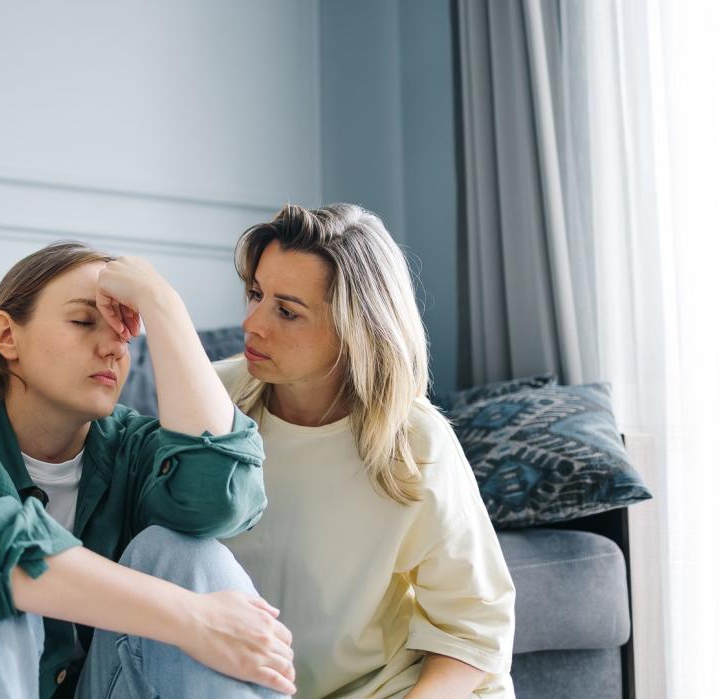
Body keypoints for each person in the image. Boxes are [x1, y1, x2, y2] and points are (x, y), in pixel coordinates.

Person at [0, 242, 296, 698]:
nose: (113, 347)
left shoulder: (139, 450)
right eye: (83, 321)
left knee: (188, 554)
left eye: (125, 332)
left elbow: (220, 498)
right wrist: (191, 617)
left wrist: (160, 300)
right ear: (7, 337)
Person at [217, 204, 516, 698]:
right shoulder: (213, 401)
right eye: (255, 294)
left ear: (356, 329)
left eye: (287, 311)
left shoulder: (415, 441)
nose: (252, 324)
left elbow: (472, 627)